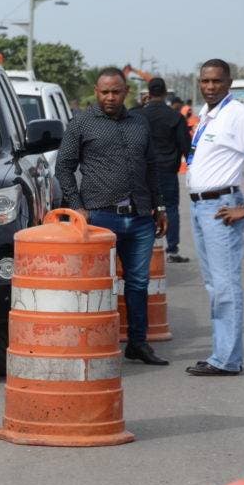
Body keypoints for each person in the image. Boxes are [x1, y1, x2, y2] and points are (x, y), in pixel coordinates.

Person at [55, 67, 169, 366]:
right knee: (96, 285)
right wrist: (76, 205)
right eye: (104, 91)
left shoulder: (139, 122)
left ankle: (138, 343)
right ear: (96, 91)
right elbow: (64, 167)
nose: (110, 97)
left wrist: (159, 206)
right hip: (99, 218)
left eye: (116, 91)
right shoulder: (81, 122)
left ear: (125, 92)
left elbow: (152, 167)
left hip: (141, 217)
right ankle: (93, 344)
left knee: (138, 283)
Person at [183, 59, 244, 376]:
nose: (210, 87)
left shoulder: (238, 115)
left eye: (216, 82)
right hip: (201, 206)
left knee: (225, 285)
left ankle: (227, 360)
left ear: (229, 83)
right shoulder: (208, 115)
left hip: (221, 206)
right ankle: (222, 354)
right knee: (213, 284)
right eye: (205, 81)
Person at [131, 78, 192, 263]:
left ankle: (142, 248)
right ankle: (172, 251)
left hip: (141, 171)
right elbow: (186, 147)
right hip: (166, 170)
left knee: (141, 208)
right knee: (170, 208)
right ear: (165, 93)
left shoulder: (137, 115)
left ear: (148, 94)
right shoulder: (175, 117)